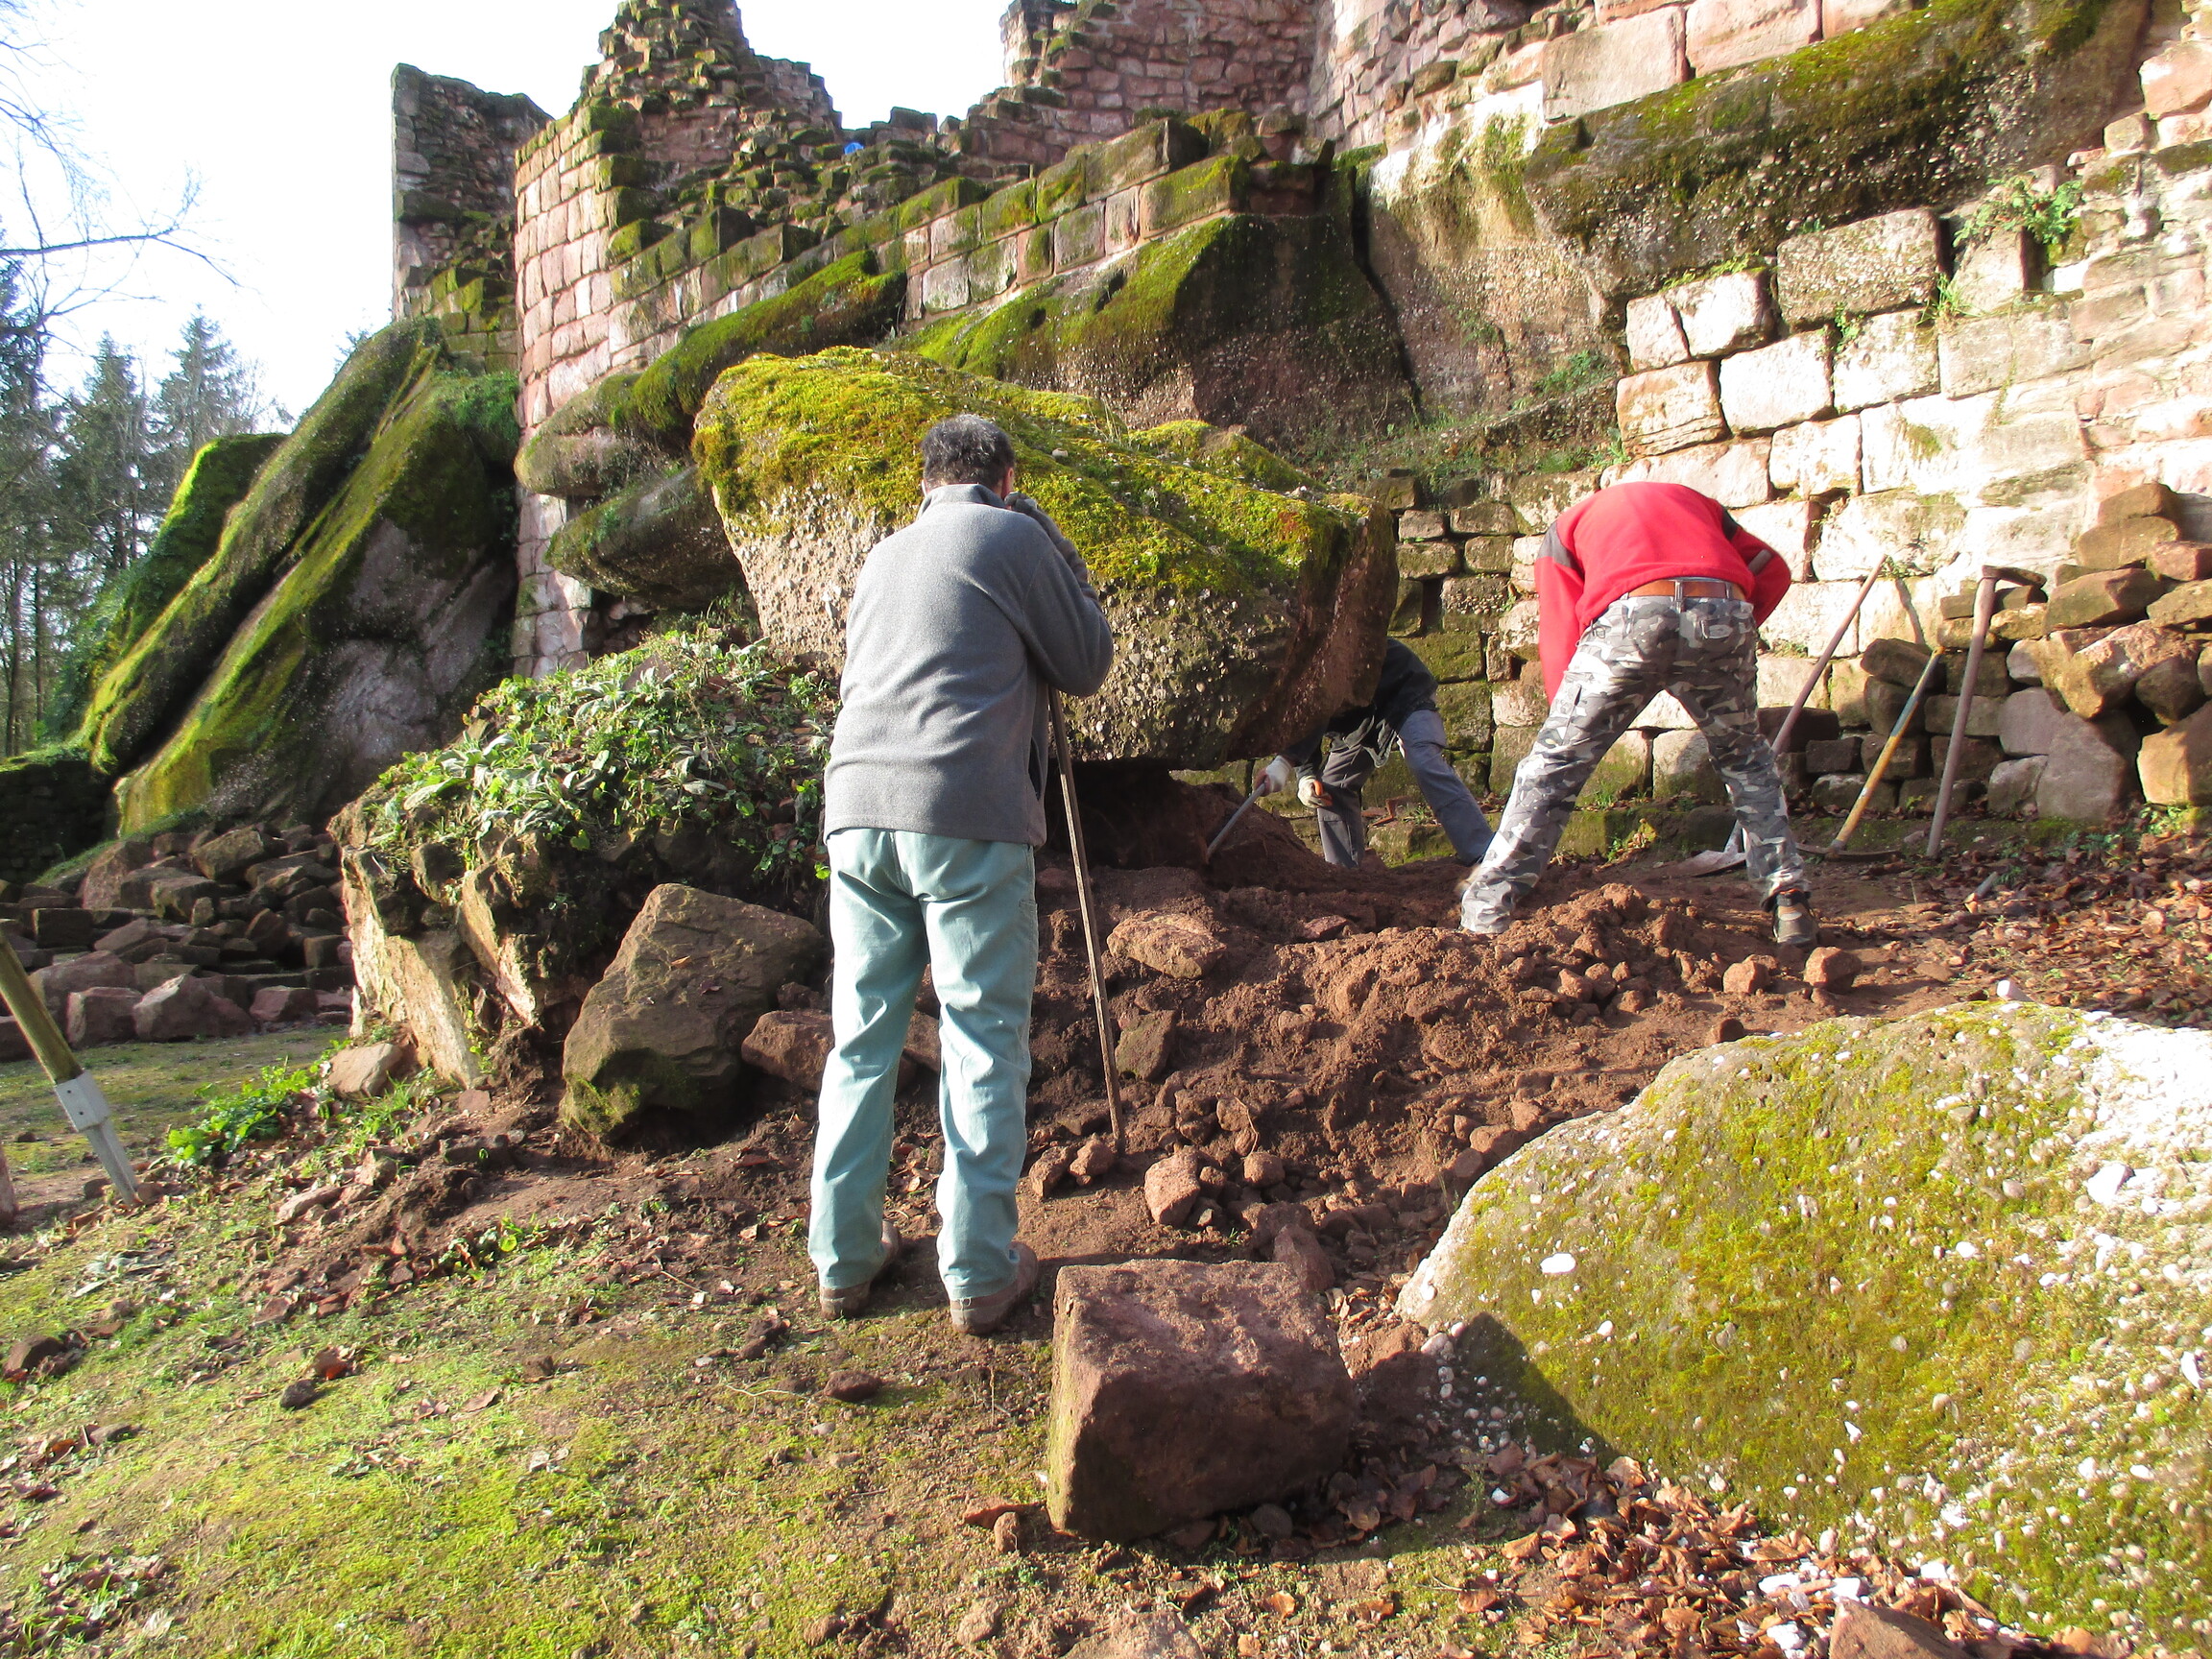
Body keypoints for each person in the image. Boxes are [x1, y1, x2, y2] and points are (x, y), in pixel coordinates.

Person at [810, 413, 1114, 1335]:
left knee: (862, 1039)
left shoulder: (881, 556)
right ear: (1006, 480)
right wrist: (1054, 545)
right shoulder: (1015, 536)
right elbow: (1087, 661)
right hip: (965, 814)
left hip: (856, 810)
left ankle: (843, 1259)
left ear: (926, 482)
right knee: (981, 1037)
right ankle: (979, 1273)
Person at [1457, 480, 1816, 947]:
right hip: (1724, 611)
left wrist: (1565, 719)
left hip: (1632, 617)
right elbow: (1772, 569)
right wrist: (1721, 644)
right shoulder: (1700, 504)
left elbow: (1560, 626)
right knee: (1747, 759)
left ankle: (1486, 911)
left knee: (1555, 765)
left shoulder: (1567, 528)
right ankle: (1789, 899)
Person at [1257, 637, 1493, 868]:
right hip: (1357, 720)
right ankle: (1342, 872)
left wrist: (1283, 763)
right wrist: (1306, 776)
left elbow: (1317, 700)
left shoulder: (1312, 651)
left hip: (1403, 690)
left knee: (1422, 759)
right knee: (1332, 786)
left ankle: (1483, 852)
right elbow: (1302, 721)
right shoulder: (1278, 685)